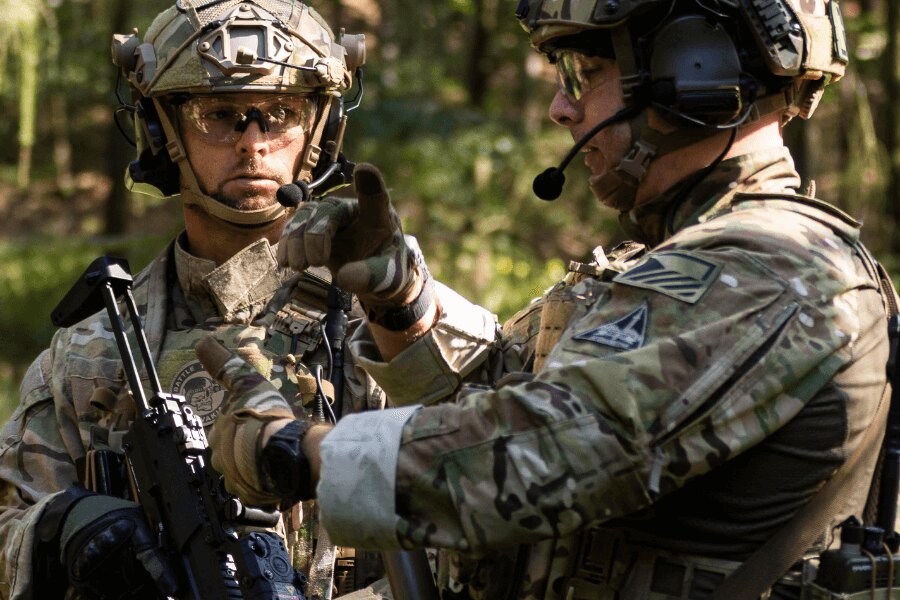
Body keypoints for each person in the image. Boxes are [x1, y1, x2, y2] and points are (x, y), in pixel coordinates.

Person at [199, 0, 899, 598]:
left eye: (586, 74)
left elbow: (547, 450)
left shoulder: (772, 268)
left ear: (693, 73)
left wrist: (296, 453)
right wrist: (399, 299)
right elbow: (511, 395)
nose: (562, 107)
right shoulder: (679, 261)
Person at [0, 1, 382, 599]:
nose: (252, 143)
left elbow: (478, 535)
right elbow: (9, 524)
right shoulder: (86, 356)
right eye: (218, 114)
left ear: (319, 129)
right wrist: (57, 531)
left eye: (280, 113)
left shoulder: (386, 331)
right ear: (161, 129)